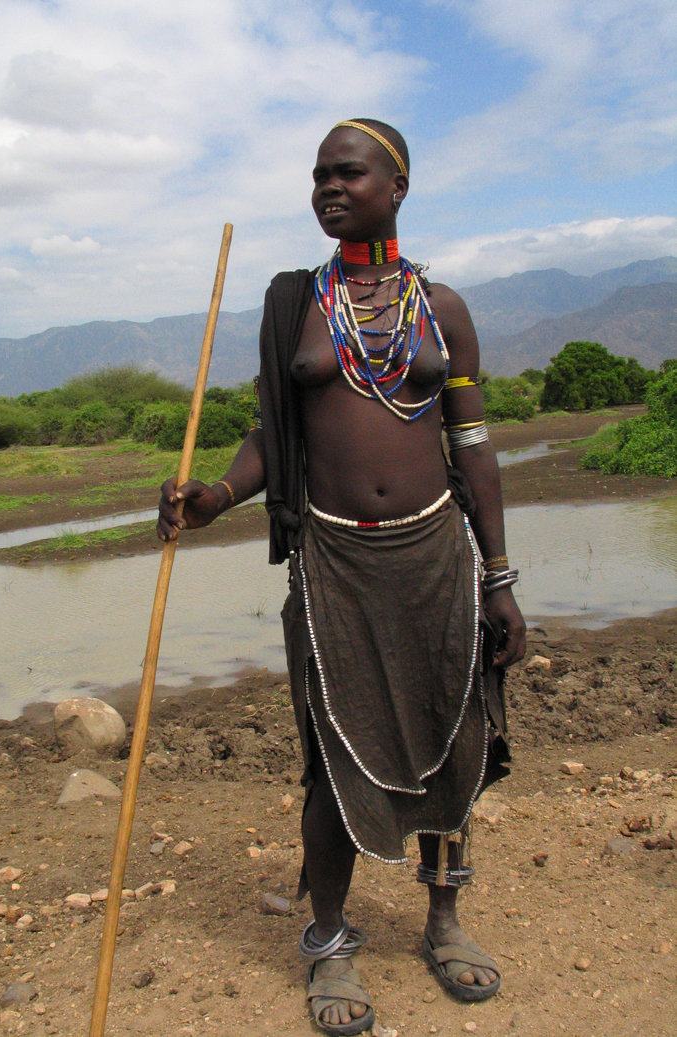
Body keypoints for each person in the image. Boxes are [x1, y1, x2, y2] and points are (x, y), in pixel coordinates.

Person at [158, 118, 527, 1036]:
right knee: (333, 756)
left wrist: (500, 574)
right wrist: (215, 495)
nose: (328, 187)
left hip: (438, 556)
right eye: (318, 175)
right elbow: (268, 439)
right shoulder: (296, 306)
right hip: (335, 564)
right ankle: (329, 938)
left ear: (396, 186)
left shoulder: (442, 310)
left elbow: (472, 449)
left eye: (347, 173)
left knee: (457, 737)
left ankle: (444, 920)